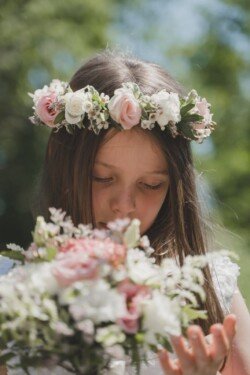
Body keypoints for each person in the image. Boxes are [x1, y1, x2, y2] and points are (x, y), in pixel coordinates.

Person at [1, 50, 250, 375]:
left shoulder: (211, 292)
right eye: (102, 178)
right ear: (62, 162)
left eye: (150, 185)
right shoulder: (9, 290)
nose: (124, 204)